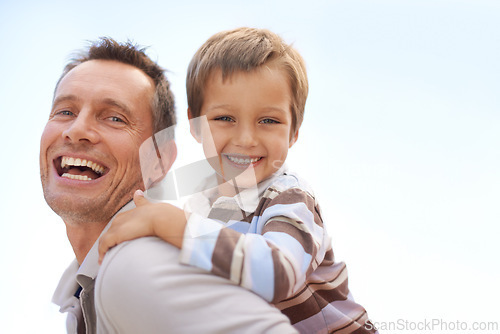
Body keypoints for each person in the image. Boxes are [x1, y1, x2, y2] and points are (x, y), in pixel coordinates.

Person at [98, 28, 377, 333]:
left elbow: (280, 274)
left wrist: (174, 226)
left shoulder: (288, 195)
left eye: (268, 121)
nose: (245, 139)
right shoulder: (201, 204)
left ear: (294, 132)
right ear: (196, 125)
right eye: (225, 119)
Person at [41, 37, 298, 334]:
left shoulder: (137, 266)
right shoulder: (86, 288)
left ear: (159, 160)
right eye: (65, 112)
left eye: (114, 117)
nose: (77, 130)